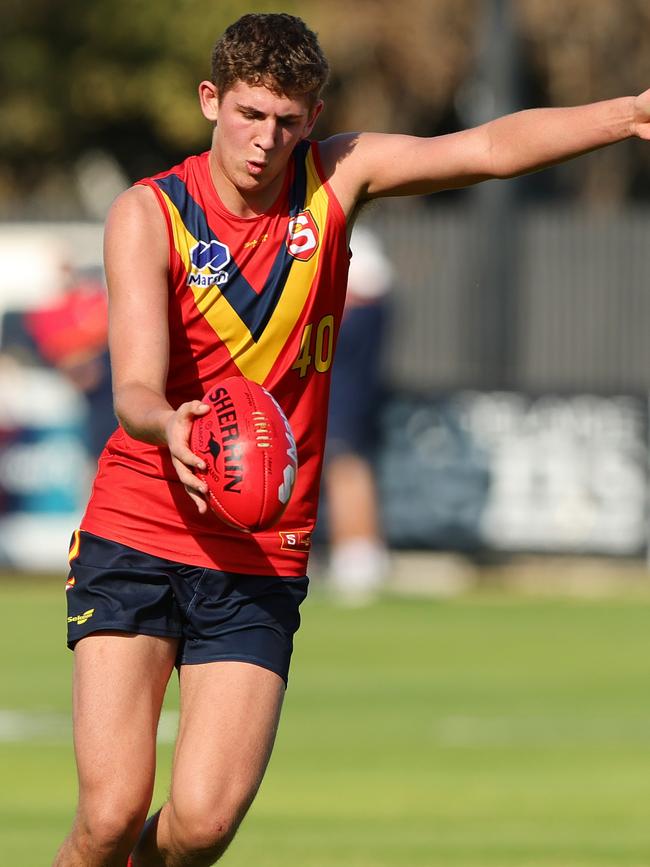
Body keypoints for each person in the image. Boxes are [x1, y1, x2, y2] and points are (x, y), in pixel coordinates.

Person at [54, 11, 650, 867]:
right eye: (250, 115)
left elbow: (484, 149)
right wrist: (167, 421)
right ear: (209, 100)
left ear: (315, 116)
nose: (266, 140)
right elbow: (135, 388)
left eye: (288, 121)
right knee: (111, 816)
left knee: (201, 826)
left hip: (261, 551)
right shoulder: (149, 213)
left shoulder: (338, 178)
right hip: (140, 530)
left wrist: (627, 114)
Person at [324, 226, 393, 603]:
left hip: (347, 387)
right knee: (345, 464)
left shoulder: (363, 306)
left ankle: (359, 559)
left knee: (346, 465)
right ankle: (356, 557)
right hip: (351, 386)